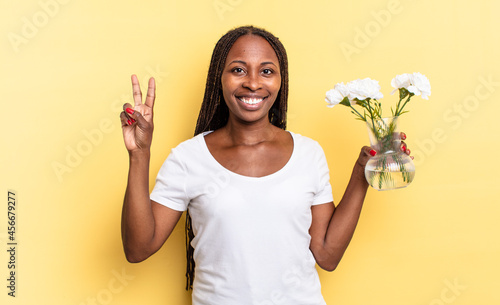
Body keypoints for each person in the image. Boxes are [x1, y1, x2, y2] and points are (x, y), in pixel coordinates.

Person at [119, 25, 410, 305]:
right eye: (238, 69)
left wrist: (362, 172)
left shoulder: (309, 154)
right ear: (218, 78)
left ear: (281, 80)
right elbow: (138, 248)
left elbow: (327, 255)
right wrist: (139, 154)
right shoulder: (188, 158)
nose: (254, 82)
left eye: (267, 71)